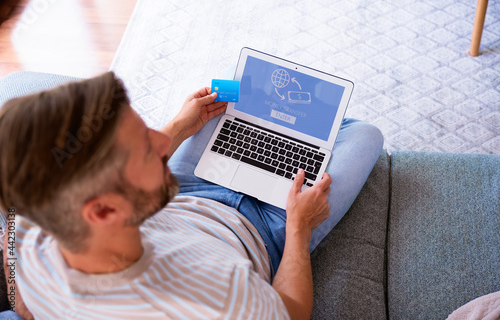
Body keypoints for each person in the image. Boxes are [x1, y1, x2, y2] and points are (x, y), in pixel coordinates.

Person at [0, 72, 383, 320]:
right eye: (145, 148)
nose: (161, 139)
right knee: (363, 134)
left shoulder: (31, 228)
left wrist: (181, 126)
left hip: (183, 192)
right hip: (270, 231)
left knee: (234, 94)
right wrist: (299, 229)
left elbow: (14, 248)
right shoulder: (218, 300)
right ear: (102, 210)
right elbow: (292, 312)